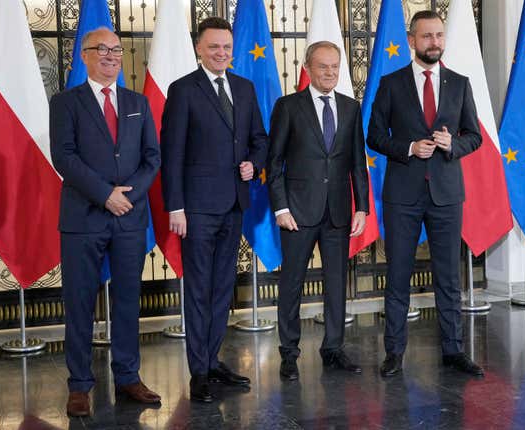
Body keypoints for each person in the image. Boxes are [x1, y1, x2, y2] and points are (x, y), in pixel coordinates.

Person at [50, 27, 162, 417]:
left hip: (129, 218)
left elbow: (152, 157)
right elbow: (63, 157)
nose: (112, 56)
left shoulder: (138, 102)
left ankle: (128, 376)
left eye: (117, 49)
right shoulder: (66, 102)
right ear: (85, 55)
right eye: (103, 49)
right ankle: (80, 385)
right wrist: (105, 194)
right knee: (79, 302)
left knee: (128, 301)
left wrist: (127, 197)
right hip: (84, 219)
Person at [366, 11, 484, 377]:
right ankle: (394, 354)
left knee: (448, 278)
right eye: (427, 36)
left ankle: (454, 352)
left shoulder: (460, 83)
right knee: (398, 275)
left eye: (439, 35)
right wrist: (408, 148)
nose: (434, 42)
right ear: (412, 39)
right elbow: (374, 136)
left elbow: (475, 136)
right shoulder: (391, 83)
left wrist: (454, 145)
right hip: (403, 194)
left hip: (447, 195)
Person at [160, 17, 268, 402]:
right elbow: (171, 155)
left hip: (234, 204)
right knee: (199, 290)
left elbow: (260, 139)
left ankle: (213, 360)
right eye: (213, 47)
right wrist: (176, 206)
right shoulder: (183, 90)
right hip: (197, 210)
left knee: (223, 289)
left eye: (226, 47)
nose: (221, 53)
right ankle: (199, 372)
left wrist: (254, 164)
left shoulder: (244, 87)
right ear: (198, 49)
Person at [267, 41, 369, 381]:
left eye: (334, 67)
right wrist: (280, 207)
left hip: (339, 211)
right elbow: (275, 162)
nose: (329, 73)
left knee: (337, 282)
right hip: (296, 211)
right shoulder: (288, 106)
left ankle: (333, 349)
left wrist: (363, 208)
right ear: (308, 69)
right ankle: (289, 353)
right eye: (323, 67)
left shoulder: (351, 108)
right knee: (292, 283)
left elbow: (357, 162)